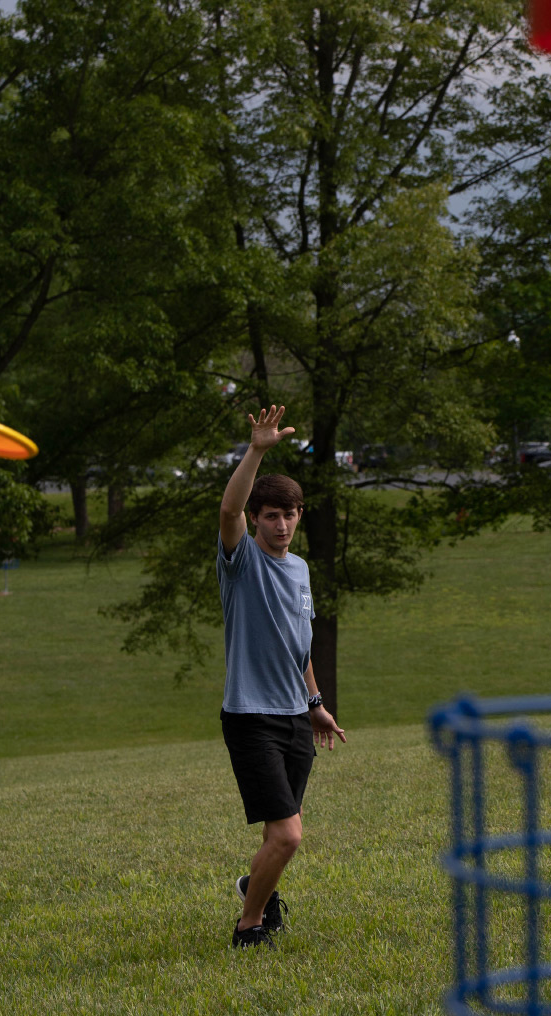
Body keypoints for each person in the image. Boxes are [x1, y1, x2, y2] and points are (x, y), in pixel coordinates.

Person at [217, 404, 346, 949]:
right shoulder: (240, 560)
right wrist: (257, 450)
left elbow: (301, 641)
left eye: (289, 514)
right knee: (290, 834)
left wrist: (314, 698)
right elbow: (228, 511)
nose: (282, 523)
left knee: (279, 835)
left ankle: (258, 889)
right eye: (271, 514)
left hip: (295, 714)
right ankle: (249, 926)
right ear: (259, 518)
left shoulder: (301, 569)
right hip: (251, 717)